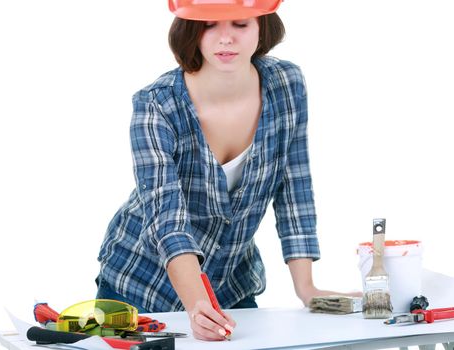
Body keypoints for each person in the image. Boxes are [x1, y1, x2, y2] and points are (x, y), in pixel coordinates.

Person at [96, 0, 357, 341]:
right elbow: (167, 218)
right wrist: (197, 305)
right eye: (209, 25)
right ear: (190, 29)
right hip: (140, 285)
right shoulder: (156, 104)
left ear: (262, 25)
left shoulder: (286, 85)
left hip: (231, 283)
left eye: (240, 24)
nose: (225, 39)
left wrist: (306, 287)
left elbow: (294, 185)